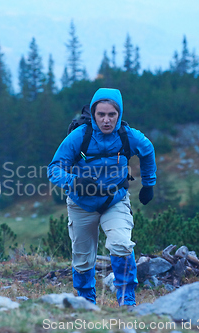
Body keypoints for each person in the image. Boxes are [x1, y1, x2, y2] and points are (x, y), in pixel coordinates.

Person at [47, 88, 156, 306]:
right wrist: (74, 182)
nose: (106, 120)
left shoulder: (129, 136)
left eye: (112, 115)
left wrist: (148, 184)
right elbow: (54, 169)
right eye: (101, 115)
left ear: (119, 114)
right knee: (83, 259)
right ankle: (87, 305)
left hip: (115, 201)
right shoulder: (79, 136)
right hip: (81, 204)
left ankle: (127, 303)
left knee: (121, 244)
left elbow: (147, 150)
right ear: (93, 114)